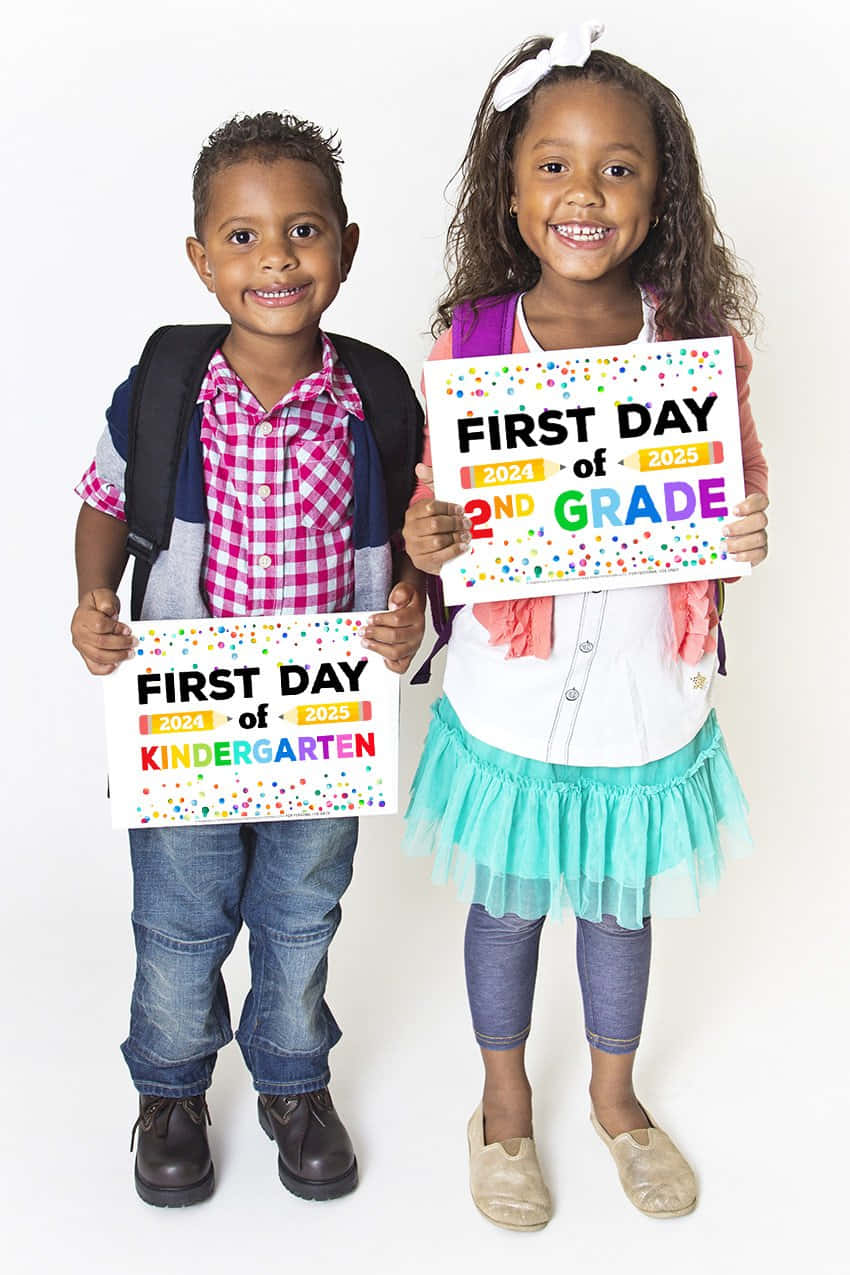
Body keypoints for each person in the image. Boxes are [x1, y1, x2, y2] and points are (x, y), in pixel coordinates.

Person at [403, 26, 768, 1231]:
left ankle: (616, 1100)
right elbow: (434, 504)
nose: (583, 192)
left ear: (658, 193)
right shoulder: (467, 344)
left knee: (619, 908)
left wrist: (743, 531)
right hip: (510, 697)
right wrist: (427, 542)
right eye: (552, 164)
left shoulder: (701, 351)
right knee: (505, 906)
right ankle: (502, 1103)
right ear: (508, 192)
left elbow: (732, 499)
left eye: (618, 167)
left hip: (638, 703)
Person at [71, 111, 424, 1207]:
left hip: (322, 722)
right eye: (242, 236)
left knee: (302, 907)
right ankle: (171, 1090)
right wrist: (90, 594)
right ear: (200, 259)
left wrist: (412, 607)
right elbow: (101, 500)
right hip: (187, 722)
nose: (275, 256)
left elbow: (424, 536)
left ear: (347, 248)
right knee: (180, 917)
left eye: (304, 230)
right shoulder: (169, 384)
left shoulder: (376, 398)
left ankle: (289, 1079)